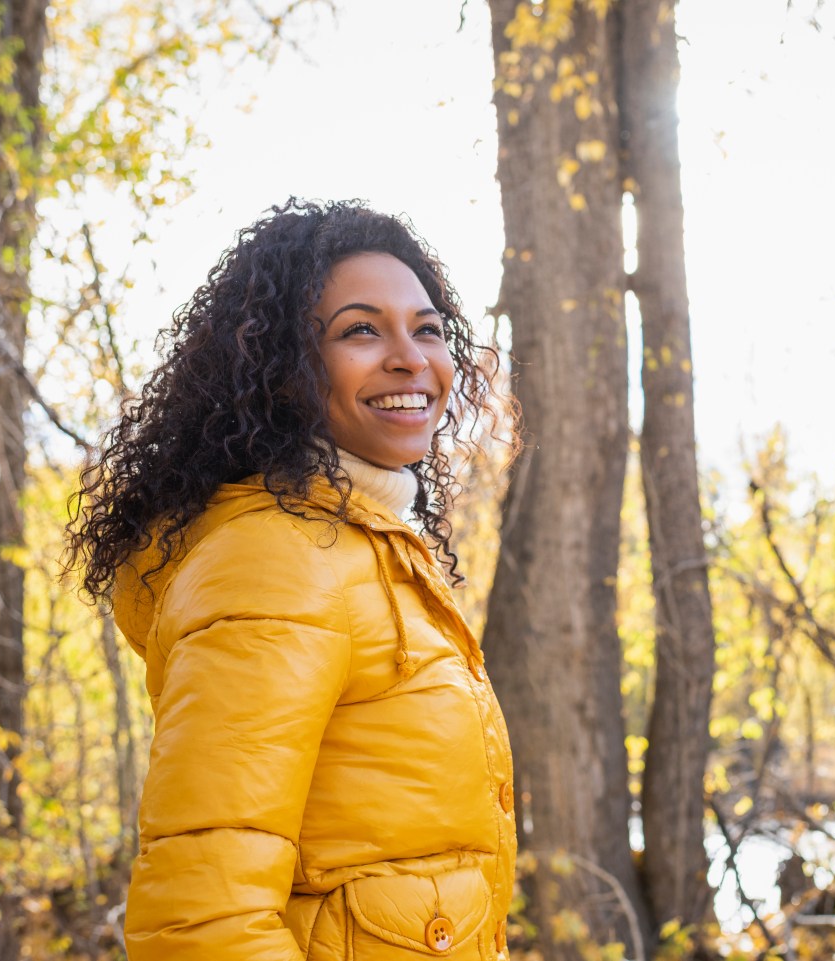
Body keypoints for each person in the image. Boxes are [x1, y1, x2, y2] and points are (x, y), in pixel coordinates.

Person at [65, 198, 518, 960]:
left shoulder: (369, 551)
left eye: (428, 328)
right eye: (361, 330)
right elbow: (200, 919)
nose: (411, 357)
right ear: (281, 369)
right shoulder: (275, 564)